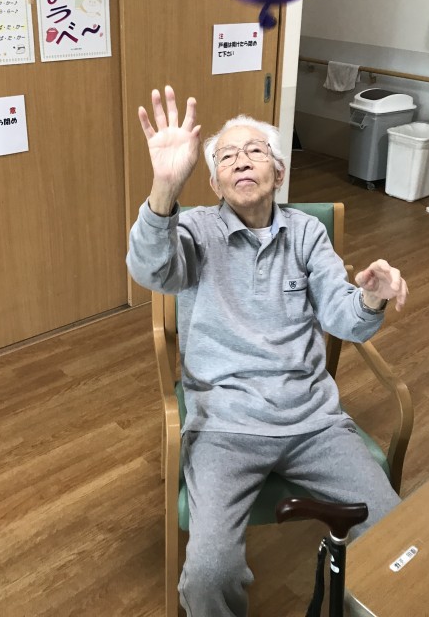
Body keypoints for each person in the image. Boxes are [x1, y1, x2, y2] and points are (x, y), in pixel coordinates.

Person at [127, 86, 408, 617]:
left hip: (313, 421)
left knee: (397, 540)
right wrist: (165, 188)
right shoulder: (194, 229)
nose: (241, 160)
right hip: (224, 426)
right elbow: (150, 268)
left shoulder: (306, 233)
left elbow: (343, 317)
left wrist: (371, 297)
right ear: (214, 183)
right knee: (209, 574)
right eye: (226, 156)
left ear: (279, 172)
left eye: (254, 150)